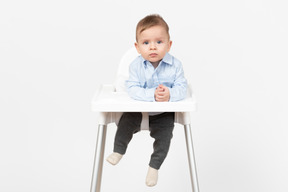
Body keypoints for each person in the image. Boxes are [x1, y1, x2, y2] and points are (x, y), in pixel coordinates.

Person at [106, 14, 187, 187]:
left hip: (163, 112)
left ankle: (154, 166)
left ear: (169, 44)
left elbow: (182, 87)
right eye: (146, 43)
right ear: (137, 47)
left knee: (165, 136)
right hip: (138, 110)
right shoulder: (135, 65)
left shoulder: (176, 66)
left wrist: (170, 94)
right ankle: (119, 150)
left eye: (159, 42)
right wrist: (152, 95)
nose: (153, 47)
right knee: (125, 123)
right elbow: (132, 89)